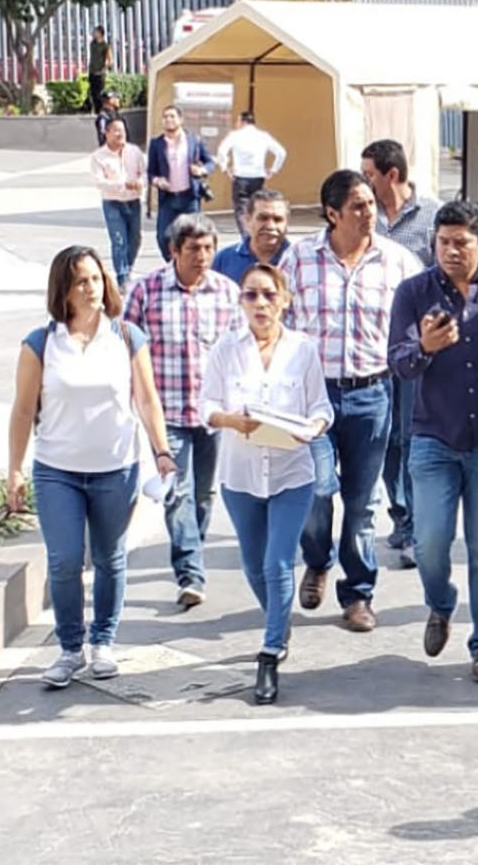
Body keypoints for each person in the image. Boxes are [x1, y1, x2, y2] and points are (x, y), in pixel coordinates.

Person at [7, 245, 179, 689]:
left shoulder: (126, 337)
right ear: (63, 289)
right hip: (56, 468)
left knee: (109, 558)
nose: (92, 289)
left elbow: (146, 399)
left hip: (115, 467)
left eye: (97, 279)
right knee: (64, 560)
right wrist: (15, 468)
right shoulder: (41, 343)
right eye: (82, 281)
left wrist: (161, 451)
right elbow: (24, 410)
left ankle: (103, 642)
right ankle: (69, 647)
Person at [389, 200, 478, 683]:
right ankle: (441, 602)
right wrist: (424, 349)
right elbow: (399, 360)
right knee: (430, 542)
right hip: (433, 436)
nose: (450, 252)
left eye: (461, 243)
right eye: (443, 243)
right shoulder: (413, 292)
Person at [278, 169, 421, 632]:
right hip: (312, 397)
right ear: (332, 213)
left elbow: (421, 320)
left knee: (362, 502)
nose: (369, 214)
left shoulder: (398, 262)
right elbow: (274, 326)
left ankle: (358, 593)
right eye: (357, 206)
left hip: (372, 395)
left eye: (371, 204)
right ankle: (317, 559)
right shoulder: (298, 261)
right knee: (318, 490)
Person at [201, 262, 332, 706]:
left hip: (291, 472)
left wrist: (313, 428)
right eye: (251, 295)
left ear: (285, 301)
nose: (260, 304)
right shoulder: (225, 349)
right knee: (254, 565)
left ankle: (270, 650)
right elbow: (207, 407)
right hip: (241, 475)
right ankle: (279, 618)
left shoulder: (303, 350)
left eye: (268, 295)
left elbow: (321, 407)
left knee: (279, 564)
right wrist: (232, 420)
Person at [123, 214, 243, 607]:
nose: (203, 256)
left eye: (209, 248)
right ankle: (190, 572)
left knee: (205, 493)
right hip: (167, 412)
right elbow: (127, 347)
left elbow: (241, 350)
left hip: (212, 413)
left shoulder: (227, 293)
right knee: (179, 491)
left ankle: (192, 550)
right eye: (193, 249)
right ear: (174, 250)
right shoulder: (146, 292)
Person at [364, 139, 441, 567]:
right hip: (373, 348)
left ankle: (414, 525)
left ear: (391, 174)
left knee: (412, 436)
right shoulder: (366, 218)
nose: (366, 183)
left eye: (371, 175)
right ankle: (399, 515)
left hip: (416, 349)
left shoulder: (431, 217)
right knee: (387, 439)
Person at [146, 106, 217, 262]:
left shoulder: (193, 140)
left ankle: (189, 263)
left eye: (172, 116)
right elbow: (150, 172)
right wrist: (158, 181)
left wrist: (202, 170)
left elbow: (211, 162)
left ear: (180, 120)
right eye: (165, 117)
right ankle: (174, 263)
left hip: (189, 197)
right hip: (168, 198)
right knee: (163, 237)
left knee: (194, 234)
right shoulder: (157, 144)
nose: (168, 120)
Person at [91, 118, 147, 290]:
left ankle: (127, 268)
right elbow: (99, 182)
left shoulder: (135, 151)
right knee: (118, 240)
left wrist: (139, 182)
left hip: (133, 201)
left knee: (135, 239)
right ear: (106, 133)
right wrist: (122, 185)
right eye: (115, 130)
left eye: (122, 129)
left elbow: (145, 173)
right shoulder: (99, 157)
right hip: (112, 203)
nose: (119, 133)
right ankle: (122, 278)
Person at [218, 111, 289, 242]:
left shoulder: (235, 135)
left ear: (242, 121)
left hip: (240, 176)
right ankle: (257, 234)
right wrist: (273, 170)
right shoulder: (263, 136)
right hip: (258, 176)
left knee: (241, 209)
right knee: (257, 207)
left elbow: (222, 151)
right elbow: (281, 152)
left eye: (238, 121)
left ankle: (246, 236)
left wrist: (225, 167)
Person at [211, 187, 290, 283]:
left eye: (278, 219)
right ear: (247, 220)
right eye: (263, 218)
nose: (270, 226)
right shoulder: (223, 259)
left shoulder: (298, 259)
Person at [87, 26, 110, 112]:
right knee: (93, 93)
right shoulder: (93, 44)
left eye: (96, 32)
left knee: (99, 93)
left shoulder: (105, 46)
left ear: (100, 33)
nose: (94, 33)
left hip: (100, 73)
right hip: (92, 71)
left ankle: (101, 110)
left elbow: (110, 59)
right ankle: (96, 110)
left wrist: (105, 67)